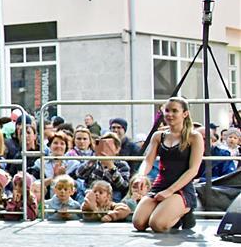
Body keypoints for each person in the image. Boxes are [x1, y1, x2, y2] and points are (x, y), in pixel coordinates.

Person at [132, 97, 203, 233]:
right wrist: (141, 176)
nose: (169, 114)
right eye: (167, 111)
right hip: (160, 184)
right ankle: (169, 212)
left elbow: (193, 170)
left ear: (185, 114)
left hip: (181, 187)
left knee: (157, 224)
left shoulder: (194, 137)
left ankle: (183, 213)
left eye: (174, 111)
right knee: (138, 223)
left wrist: (169, 191)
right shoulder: (159, 136)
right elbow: (148, 161)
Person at [74, 131, 130, 201]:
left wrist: (111, 168)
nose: (105, 148)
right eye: (103, 145)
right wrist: (93, 160)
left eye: (108, 146)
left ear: (117, 149)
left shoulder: (122, 164)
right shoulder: (94, 160)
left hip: (111, 197)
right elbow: (79, 174)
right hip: (90, 193)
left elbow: (123, 186)